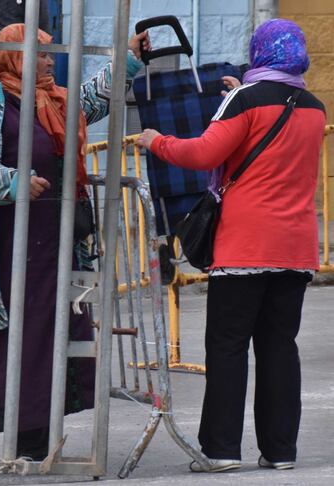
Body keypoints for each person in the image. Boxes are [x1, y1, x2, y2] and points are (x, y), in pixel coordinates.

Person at [0, 23, 150, 460]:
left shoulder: (53, 102)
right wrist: (12, 181)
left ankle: (28, 439)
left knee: (42, 337)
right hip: (5, 245)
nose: (49, 60)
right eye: (39, 54)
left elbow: (94, 99)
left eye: (49, 53)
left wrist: (127, 59)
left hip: (51, 241)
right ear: (12, 58)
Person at [138, 19, 325, 473]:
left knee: (228, 345)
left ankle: (221, 449)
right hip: (296, 247)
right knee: (280, 346)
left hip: (245, 245)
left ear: (260, 50)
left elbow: (203, 154)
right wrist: (237, 91)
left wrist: (156, 141)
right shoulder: (314, 107)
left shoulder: (243, 100)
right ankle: (281, 451)